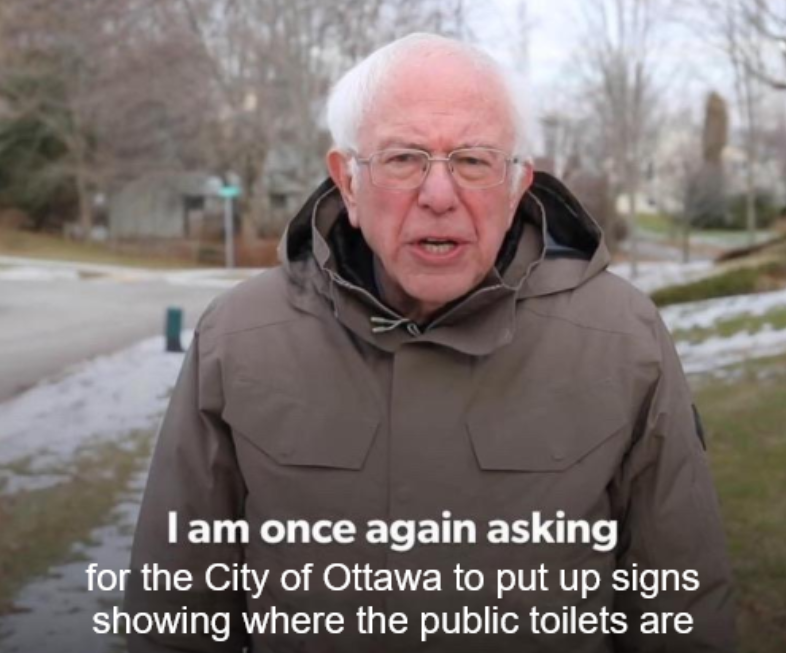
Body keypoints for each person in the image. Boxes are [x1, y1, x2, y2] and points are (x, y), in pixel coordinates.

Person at [125, 33, 735, 652]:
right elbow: (176, 613)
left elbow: (683, 611)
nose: (439, 196)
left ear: (519, 181)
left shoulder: (622, 340)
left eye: (473, 160)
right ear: (349, 183)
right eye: (402, 159)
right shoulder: (238, 339)